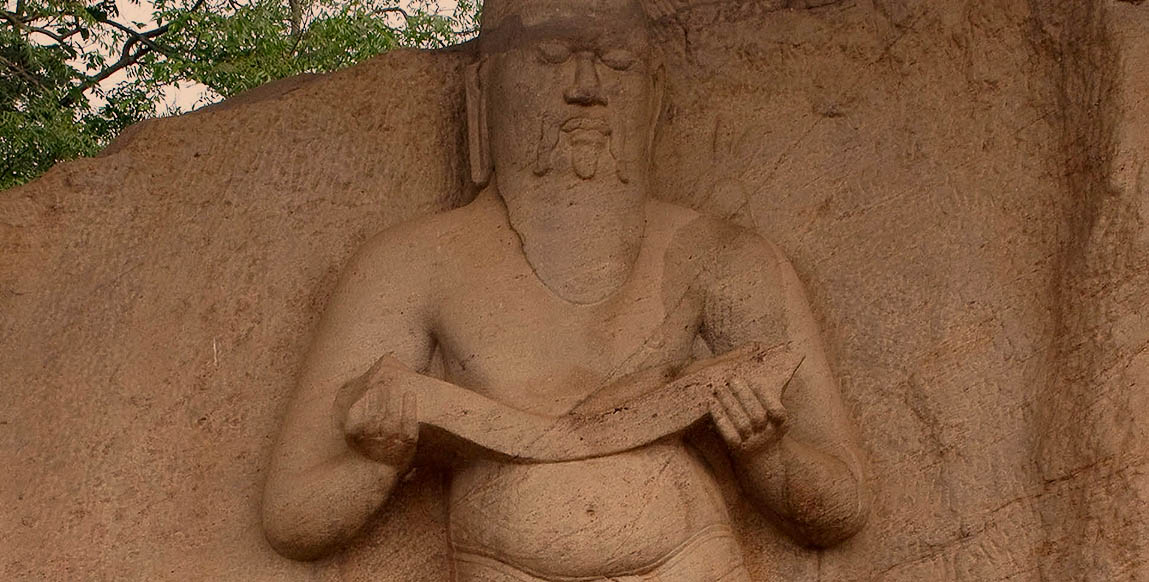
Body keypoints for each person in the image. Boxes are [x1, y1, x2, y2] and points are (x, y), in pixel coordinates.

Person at [262, 0, 869, 579]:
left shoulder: (726, 257)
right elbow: (293, 517)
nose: (585, 87)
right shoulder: (411, 264)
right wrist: (378, 461)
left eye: (617, 61)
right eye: (550, 55)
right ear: (483, 90)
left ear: (655, 97)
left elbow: (842, 505)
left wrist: (765, 453)